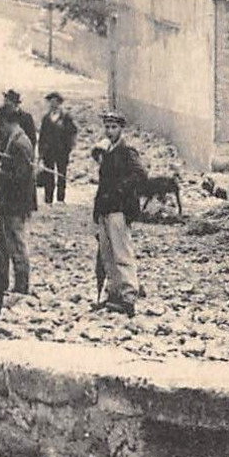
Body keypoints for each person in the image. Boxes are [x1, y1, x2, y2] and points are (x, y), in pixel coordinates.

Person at [92, 110, 147, 316]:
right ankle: (113, 293)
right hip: (106, 209)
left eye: (113, 127)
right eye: (107, 127)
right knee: (107, 254)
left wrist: (120, 191)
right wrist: (96, 210)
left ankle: (129, 295)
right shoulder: (106, 151)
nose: (109, 131)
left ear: (121, 129)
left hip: (119, 209)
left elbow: (140, 175)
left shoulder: (127, 151)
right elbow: (102, 184)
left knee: (122, 253)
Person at [0, 107, 36, 295]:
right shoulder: (16, 139)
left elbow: (20, 177)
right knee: (1, 241)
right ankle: (2, 281)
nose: (0, 128)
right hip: (9, 203)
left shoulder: (20, 142)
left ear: (5, 122)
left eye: (0, 124)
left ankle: (21, 285)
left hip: (16, 203)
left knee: (16, 243)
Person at [37, 92, 78, 204]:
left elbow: (73, 132)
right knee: (48, 175)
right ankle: (48, 199)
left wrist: (69, 147)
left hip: (61, 152)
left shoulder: (66, 117)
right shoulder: (46, 118)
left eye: (55, 102)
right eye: (51, 102)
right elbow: (42, 136)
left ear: (59, 103)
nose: (52, 104)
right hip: (48, 152)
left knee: (61, 175)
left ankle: (60, 199)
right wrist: (40, 153)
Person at [0, 90, 37, 160]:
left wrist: (29, 156)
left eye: (8, 101)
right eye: (5, 101)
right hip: (4, 154)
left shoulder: (26, 118)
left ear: (15, 103)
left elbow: (32, 139)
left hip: (20, 155)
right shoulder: (4, 115)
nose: (5, 103)